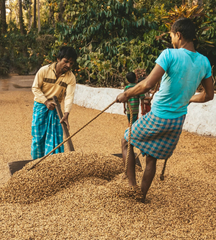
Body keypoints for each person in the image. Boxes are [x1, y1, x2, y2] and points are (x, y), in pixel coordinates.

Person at [116, 18, 214, 203]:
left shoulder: (169, 54)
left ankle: (132, 187)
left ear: (179, 35)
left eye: (171, 35)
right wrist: (188, 98)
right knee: (151, 158)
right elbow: (208, 95)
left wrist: (126, 94)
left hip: (159, 116)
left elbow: (147, 84)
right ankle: (141, 196)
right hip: (177, 121)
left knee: (125, 141)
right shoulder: (204, 62)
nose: (171, 40)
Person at [31, 46, 77, 160]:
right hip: (40, 105)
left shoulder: (71, 77)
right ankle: (36, 162)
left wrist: (66, 114)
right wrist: (46, 102)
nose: (68, 65)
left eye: (71, 63)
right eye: (65, 61)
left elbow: (69, 96)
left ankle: (53, 164)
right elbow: (35, 88)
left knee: (55, 139)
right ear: (58, 59)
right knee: (38, 138)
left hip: (56, 109)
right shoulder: (44, 70)